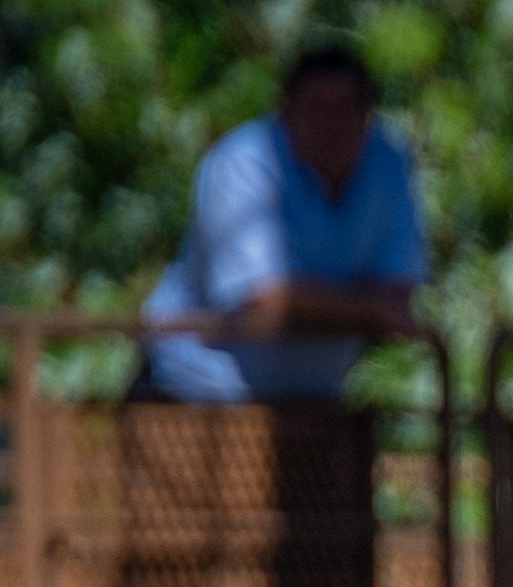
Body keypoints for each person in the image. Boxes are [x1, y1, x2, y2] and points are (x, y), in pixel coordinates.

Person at [140, 43, 426, 406]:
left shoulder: (389, 164)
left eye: (344, 108)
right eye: (316, 108)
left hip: (313, 404)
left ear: (368, 113)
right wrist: (367, 308)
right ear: (287, 111)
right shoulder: (242, 163)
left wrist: (320, 300)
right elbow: (264, 301)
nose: (331, 124)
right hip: (193, 396)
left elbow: (399, 294)